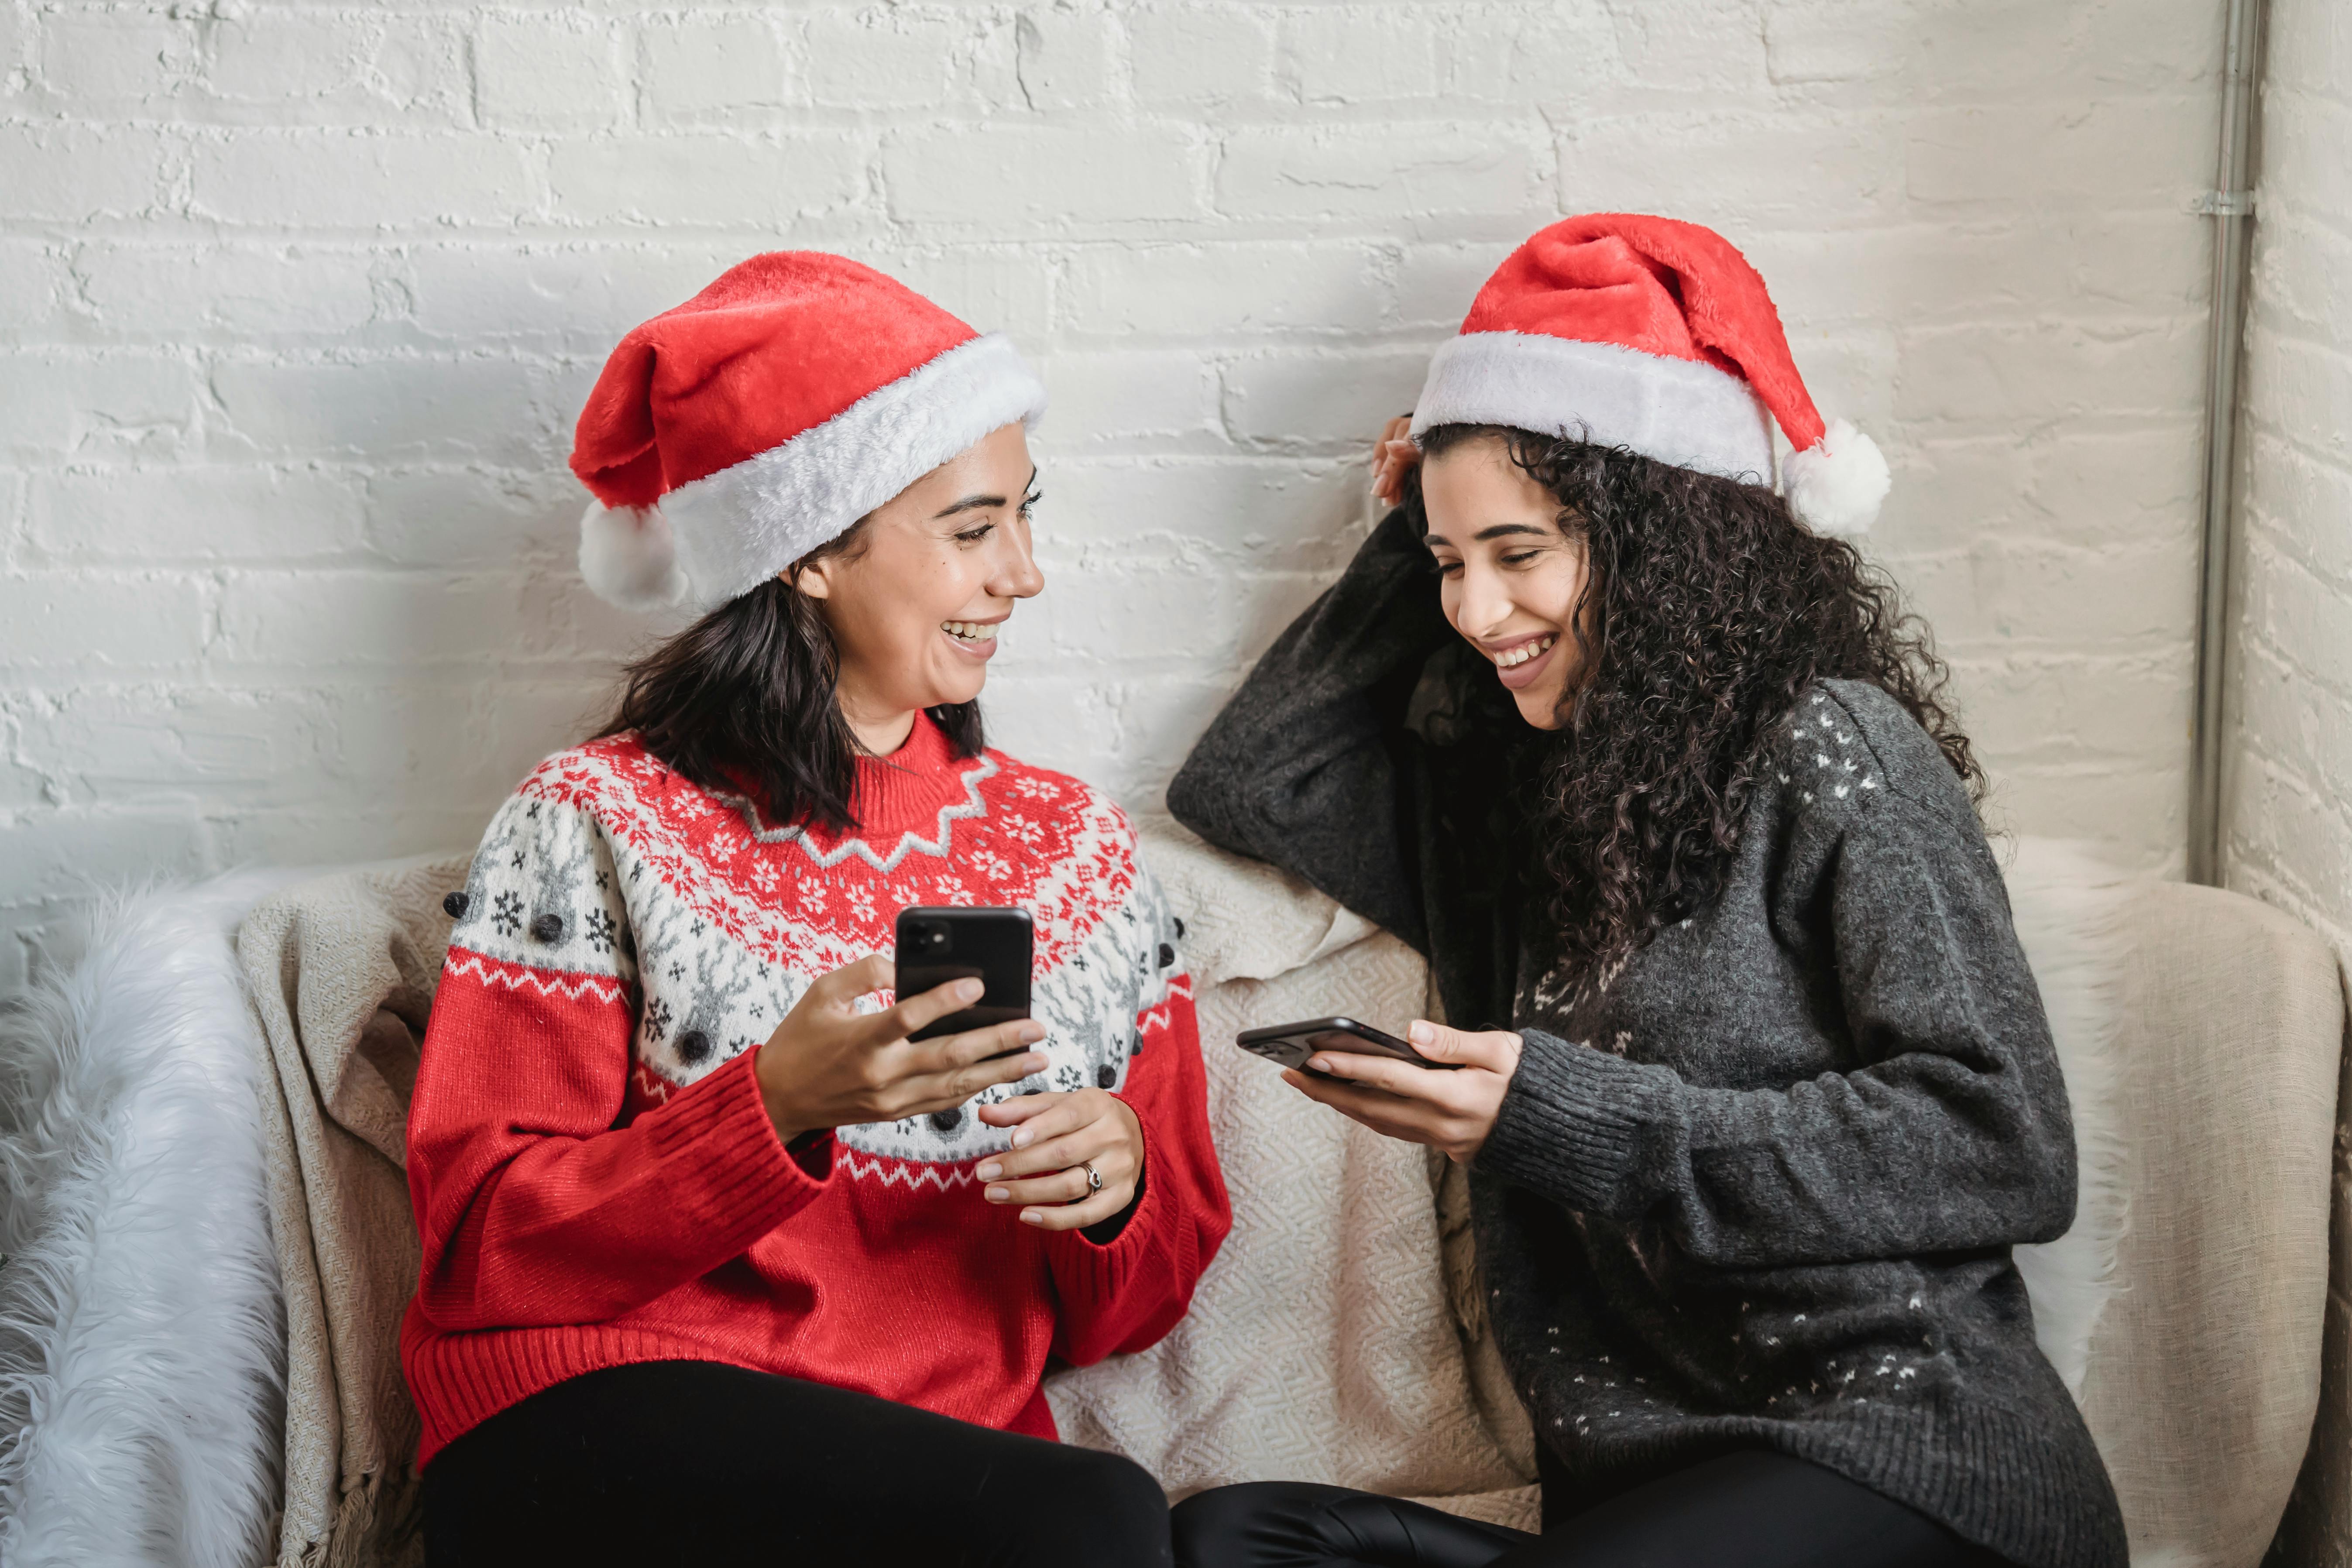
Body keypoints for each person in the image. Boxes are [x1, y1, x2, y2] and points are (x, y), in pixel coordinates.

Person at [1165, 215, 2128, 1568]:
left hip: (1905, 1448)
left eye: (1521, 553)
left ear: (1659, 538)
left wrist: (1558, 1119)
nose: (1476, 610)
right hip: (1659, 1491)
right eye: (1452, 567)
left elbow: (2005, 1139)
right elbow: (1254, 781)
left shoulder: (1834, 748)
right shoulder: (1516, 806)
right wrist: (1411, 527)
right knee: (1231, 1539)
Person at [406, 253, 1229, 1568]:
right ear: (808, 555)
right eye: (972, 530)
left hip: (937, 1465)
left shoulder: (1077, 852)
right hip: (594, 1419)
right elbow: (478, 1244)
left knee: (1094, 1514)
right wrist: (773, 1105)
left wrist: (1118, 1193)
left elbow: (1128, 1310)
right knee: (1092, 1523)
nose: (1023, 572)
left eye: (1025, 516)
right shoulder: (594, 819)